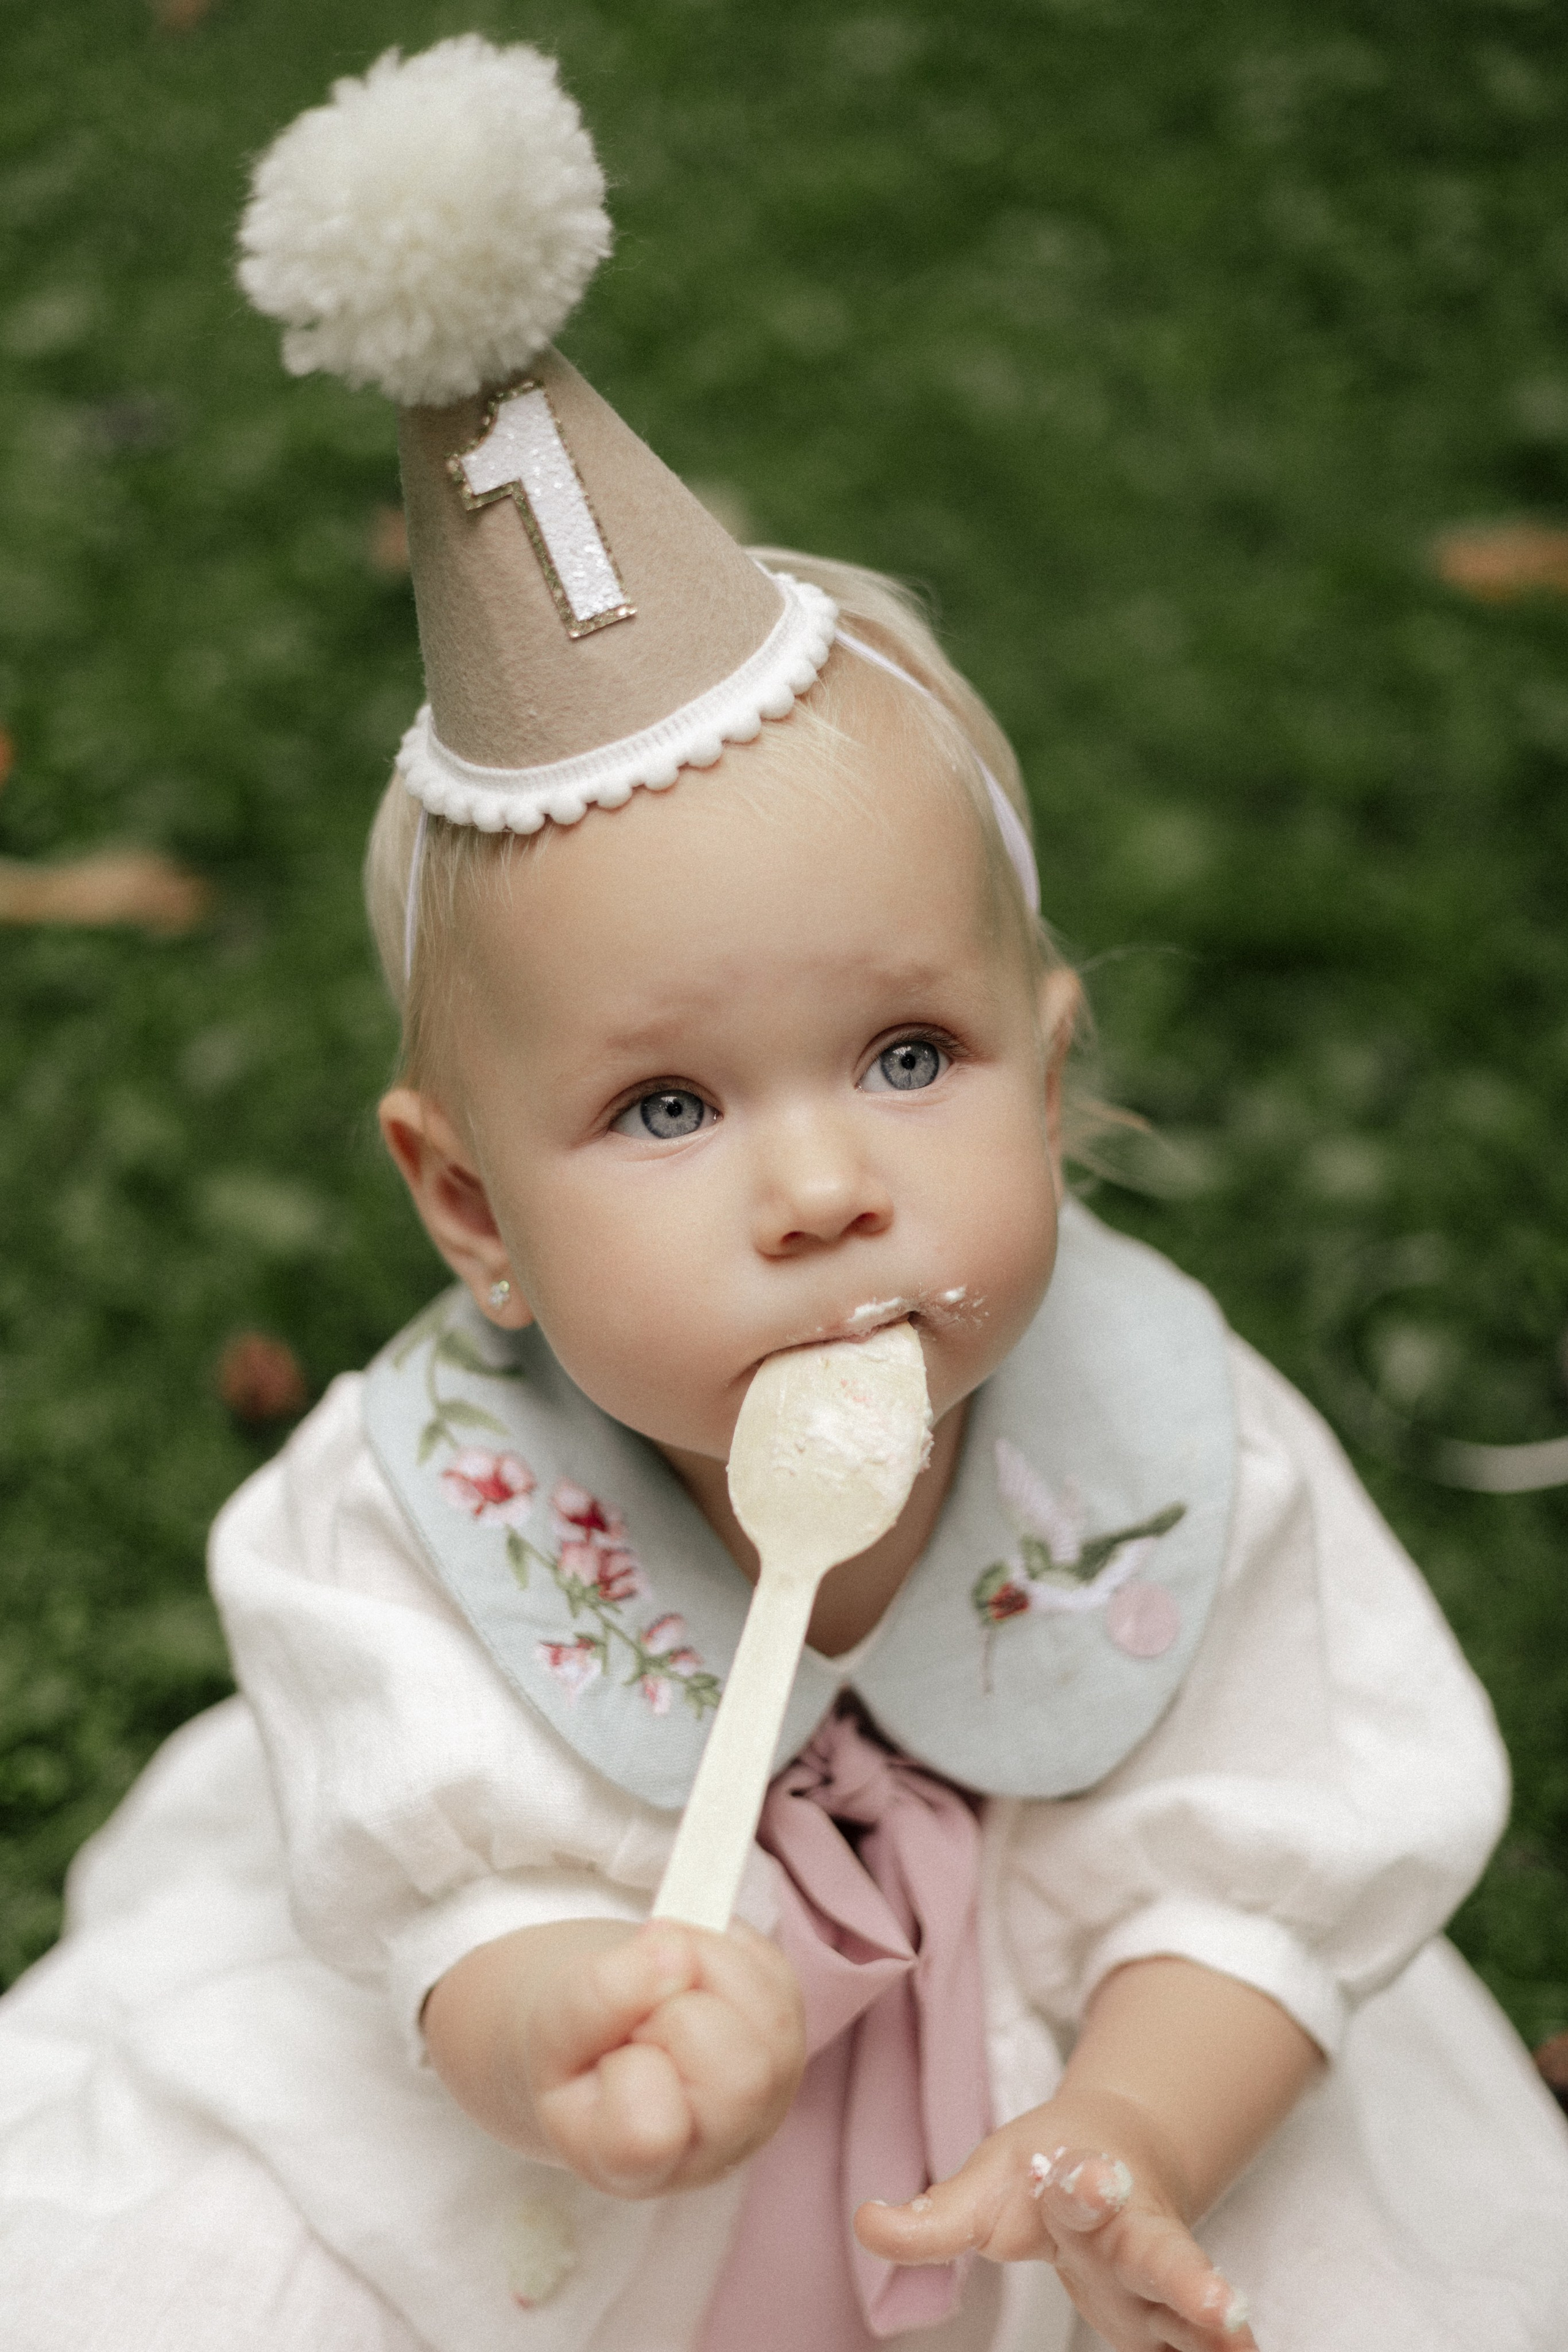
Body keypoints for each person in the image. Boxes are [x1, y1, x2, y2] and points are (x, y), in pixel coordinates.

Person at [2, 37, 1566, 2352]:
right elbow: (444, 1903)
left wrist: (1133, 2121)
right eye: (664, 1107)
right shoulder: (410, 1521)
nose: (826, 1183)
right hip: (567, 2180)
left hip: (1083, 2064)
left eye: (912, 1058)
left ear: (1051, 1072)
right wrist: (550, 2024)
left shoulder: (1169, 1456)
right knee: (212, 2270)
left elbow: (1267, 1868)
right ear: (469, 1211)